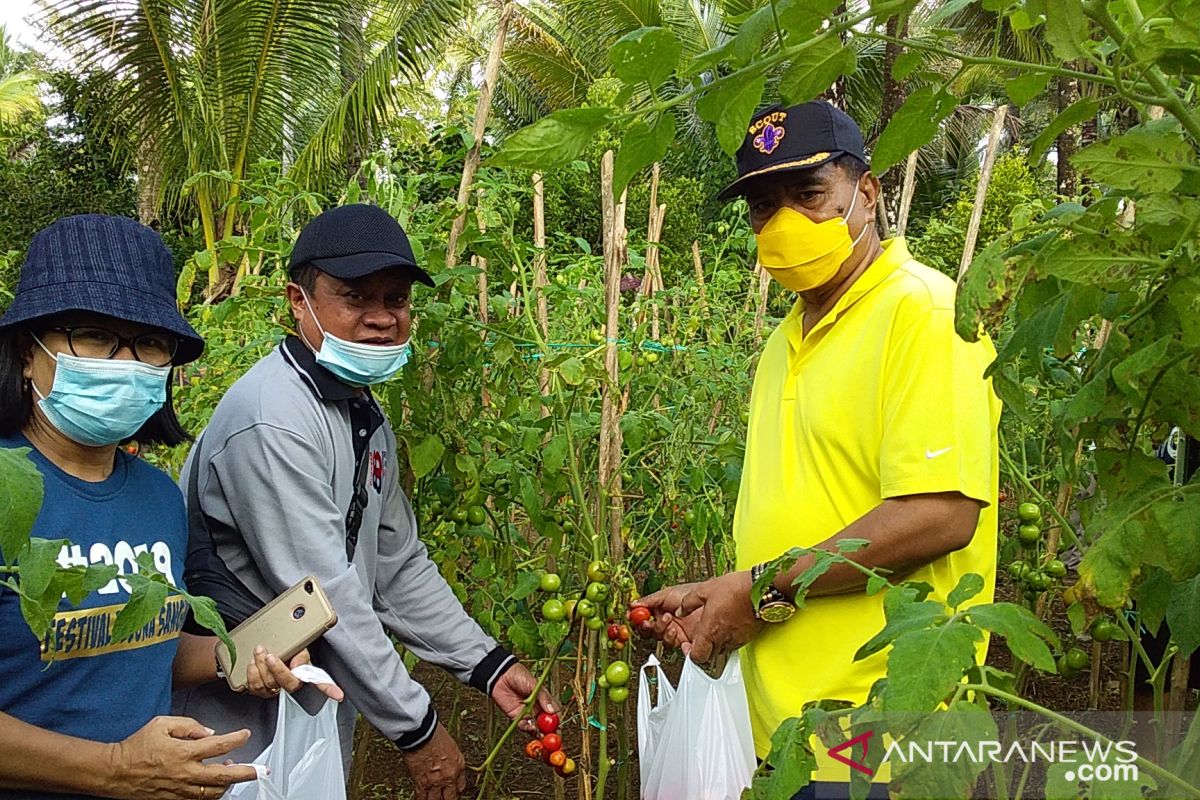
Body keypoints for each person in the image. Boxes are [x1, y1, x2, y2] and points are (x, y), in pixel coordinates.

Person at [632, 102, 1001, 799]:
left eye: (808, 195)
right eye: (764, 208)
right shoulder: (785, 340)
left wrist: (762, 589)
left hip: (880, 734)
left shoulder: (923, 314)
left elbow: (941, 513)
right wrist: (723, 596)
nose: (784, 225)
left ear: (866, 193)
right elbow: (812, 508)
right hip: (783, 730)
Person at [172, 204, 556, 799]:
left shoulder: (362, 417)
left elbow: (397, 566)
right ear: (299, 301)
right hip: (229, 718)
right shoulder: (274, 420)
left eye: (396, 300)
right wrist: (418, 730)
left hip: (305, 707)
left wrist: (489, 665)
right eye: (356, 298)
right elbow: (327, 591)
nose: (382, 320)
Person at [0, 214, 340, 800]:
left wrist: (237, 657)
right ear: (28, 353)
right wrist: (113, 768)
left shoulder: (157, 497)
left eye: (151, 344)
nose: (126, 361)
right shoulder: (10, 491)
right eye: (93, 334)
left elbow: (133, 644)